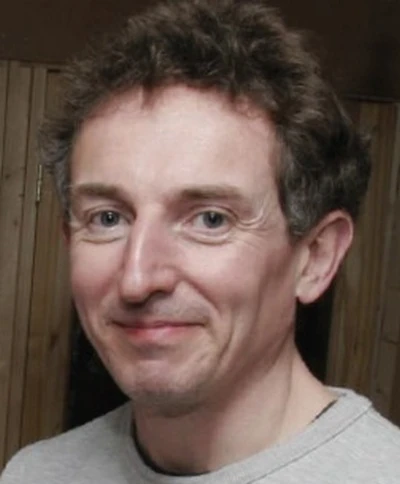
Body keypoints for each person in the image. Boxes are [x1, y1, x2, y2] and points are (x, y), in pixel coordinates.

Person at [2, 0, 399, 482]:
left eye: (210, 219)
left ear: (315, 258)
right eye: (108, 218)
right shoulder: (35, 474)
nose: (137, 278)